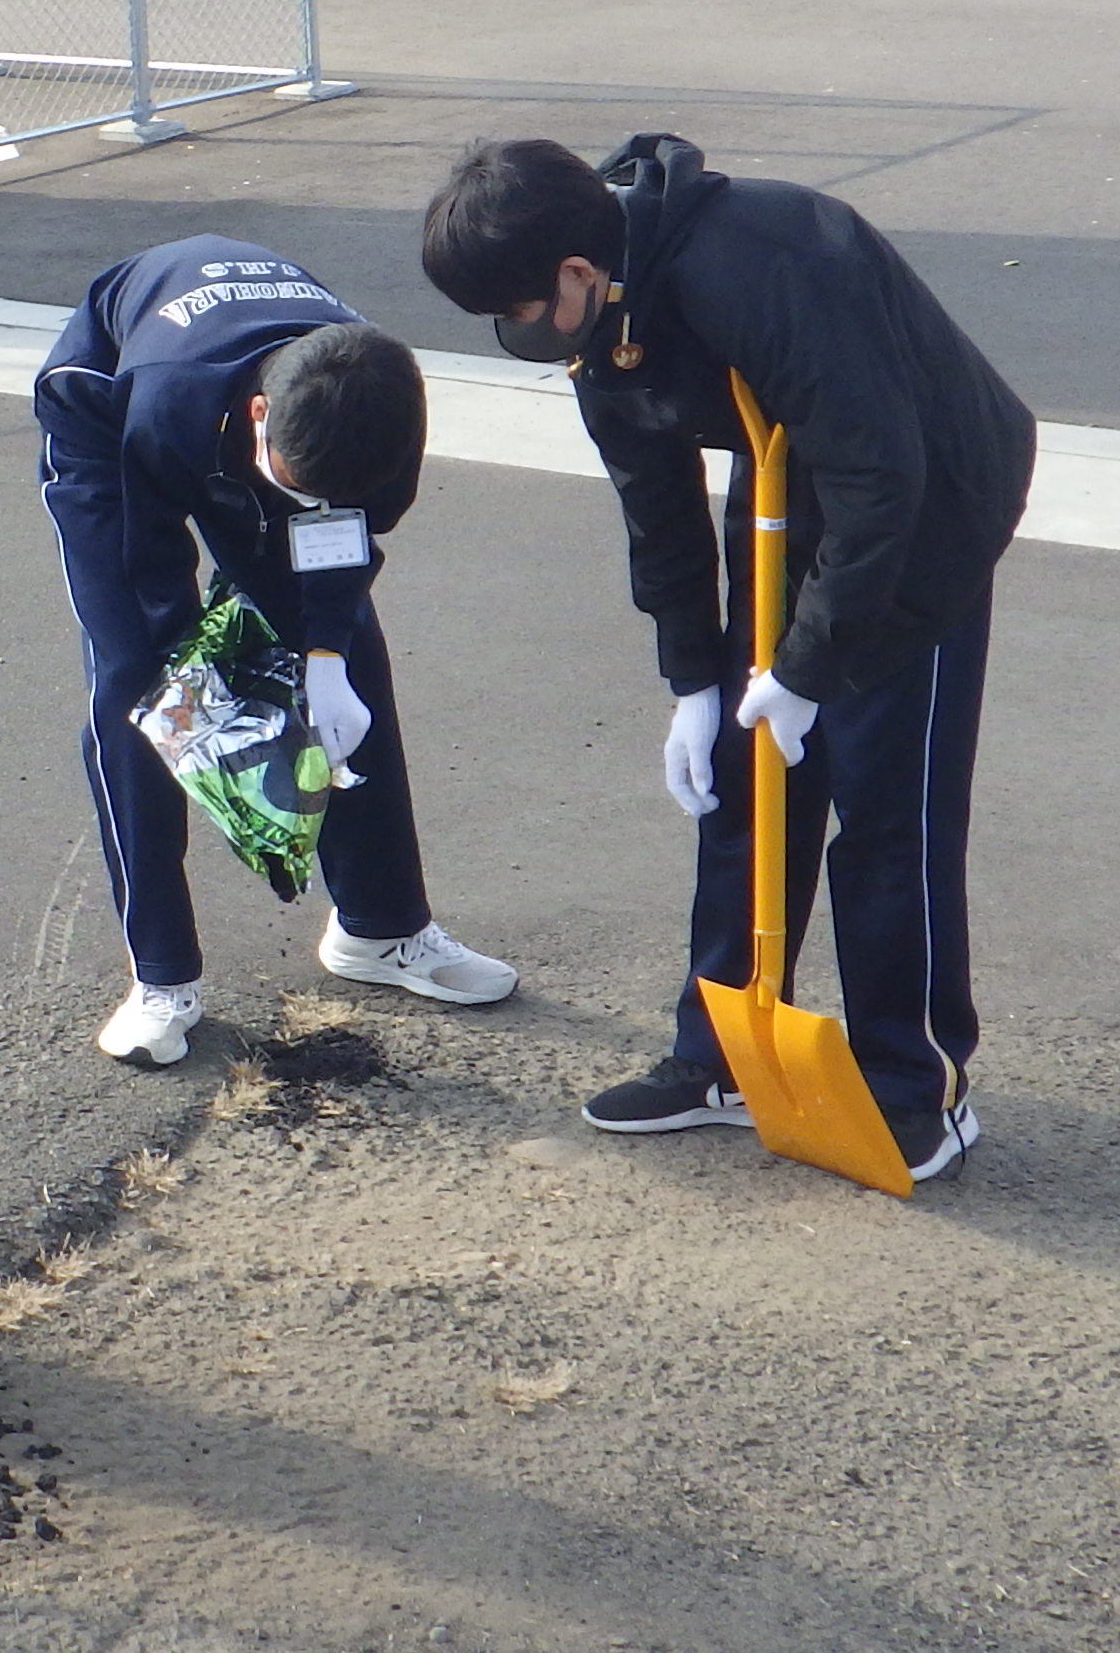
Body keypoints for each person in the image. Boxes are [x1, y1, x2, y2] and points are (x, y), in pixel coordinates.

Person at [421, 135, 1032, 1181]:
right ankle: (717, 1059)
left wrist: (805, 670)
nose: (519, 331)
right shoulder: (601, 309)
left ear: (574, 273)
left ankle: (919, 1085)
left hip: (929, 496)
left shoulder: (768, 266)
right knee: (749, 789)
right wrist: (694, 681)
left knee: (890, 810)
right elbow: (652, 500)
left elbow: (883, 477)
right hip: (792, 480)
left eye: (521, 311)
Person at [36, 238, 516, 1067]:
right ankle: (161, 977)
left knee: (350, 655)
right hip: (113, 417)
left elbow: (342, 537)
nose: (311, 506)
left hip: (279, 419)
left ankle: (380, 927)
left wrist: (323, 655)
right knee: (140, 693)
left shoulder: (384, 401)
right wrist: (195, 681)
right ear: (261, 421)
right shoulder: (166, 401)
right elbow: (146, 565)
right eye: (297, 484)